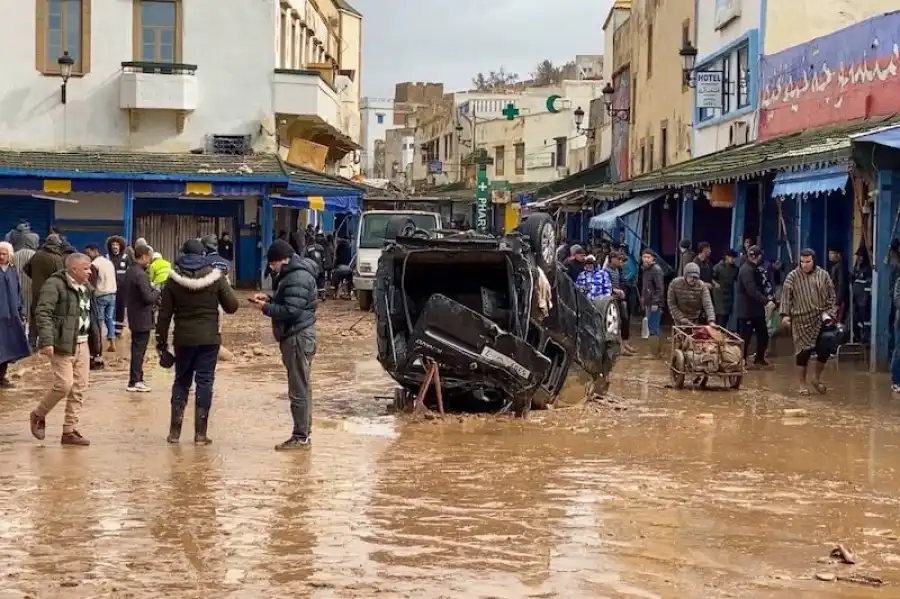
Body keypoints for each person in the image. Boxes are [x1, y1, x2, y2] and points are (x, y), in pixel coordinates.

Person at [156, 239, 239, 444]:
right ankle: (200, 435)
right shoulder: (216, 278)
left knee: (181, 381)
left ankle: (174, 433)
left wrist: (161, 343)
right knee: (205, 382)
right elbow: (232, 306)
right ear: (203, 255)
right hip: (209, 340)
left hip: (183, 339)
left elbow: (164, 315)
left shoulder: (172, 280)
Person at [250, 239, 319, 450]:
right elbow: (291, 303)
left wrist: (266, 308)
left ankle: (300, 437)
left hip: (297, 337)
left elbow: (292, 311)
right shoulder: (295, 274)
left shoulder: (296, 276)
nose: (271, 267)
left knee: (298, 388)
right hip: (299, 335)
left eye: (273, 263)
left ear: (285, 260)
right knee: (302, 386)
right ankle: (304, 433)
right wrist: (270, 300)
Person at [29, 253, 101, 446]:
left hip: (83, 343)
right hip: (62, 343)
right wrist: (46, 341)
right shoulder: (54, 285)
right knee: (64, 385)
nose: (89, 272)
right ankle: (38, 414)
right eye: (85, 269)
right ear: (73, 269)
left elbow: (92, 317)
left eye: (90, 268)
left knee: (79, 388)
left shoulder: (86, 288)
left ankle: (69, 431)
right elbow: (43, 312)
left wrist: (97, 345)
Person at [780, 249, 837, 395]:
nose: (804, 265)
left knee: (825, 348)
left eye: (808, 262)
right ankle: (801, 384)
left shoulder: (823, 275)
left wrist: (830, 312)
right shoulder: (792, 276)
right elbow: (786, 297)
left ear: (814, 260)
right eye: (802, 262)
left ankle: (816, 379)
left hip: (820, 318)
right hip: (800, 320)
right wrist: (785, 315)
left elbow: (832, 295)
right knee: (803, 353)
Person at [123, 245, 160, 393]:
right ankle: (136, 380)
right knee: (139, 350)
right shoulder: (141, 274)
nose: (150, 260)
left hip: (134, 314)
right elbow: (148, 298)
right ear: (143, 256)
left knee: (136, 349)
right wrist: (157, 290)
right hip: (142, 317)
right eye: (150, 257)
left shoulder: (130, 271)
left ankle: (135, 379)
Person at [23, 233, 65, 348]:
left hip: (36, 290)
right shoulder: (57, 258)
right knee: (48, 317)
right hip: (51, 292)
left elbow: (25, 268)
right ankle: (45, 343)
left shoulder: (37, 254)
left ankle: (31, 343)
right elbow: (62, 276)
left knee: (35, 316)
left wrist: (36, 278)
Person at [736, 245, 775, 366]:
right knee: (745, 337)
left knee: (763, 334)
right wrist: (766, 301)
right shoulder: (746, 270)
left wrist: (770, 297)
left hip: (757, 310)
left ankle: (759, 357)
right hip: (746, 310)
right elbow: (751, 290)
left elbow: (764, 284)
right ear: (758, 256)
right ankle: (742, 360)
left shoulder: (757, 269)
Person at [0, 242, 30, 388]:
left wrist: (21, 311)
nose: (1, 256)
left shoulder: (12, 271)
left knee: (9, 348)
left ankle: (2, 377)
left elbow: (18, 293)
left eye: (4, 254)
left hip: (11, 317)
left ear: (10, 255)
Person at [84, 244, 118, 352]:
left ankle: (99, 346)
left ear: (95, 251)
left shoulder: (94, 264)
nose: (87, 255)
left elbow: (92, 283)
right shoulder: (108, 262)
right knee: (110, 319)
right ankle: (112, 343)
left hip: (101, 295)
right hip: (112, 294)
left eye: (88, 253)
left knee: (98, 321)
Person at [605, 250, 636, 355]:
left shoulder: (618, 270)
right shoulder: (605, 272)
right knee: (615, 323)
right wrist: (614, 291)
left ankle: (625, 343)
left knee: (625, 320)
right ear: (612, 259)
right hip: (610, 300)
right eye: (619, 259)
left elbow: (622, 282)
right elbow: (605, 287)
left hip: (619, 299)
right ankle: (620, 347)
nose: (621, 262)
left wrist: (623, 297)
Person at [11, 231, 38, 342]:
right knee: (30, 311)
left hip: (17, 286)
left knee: (20, 311)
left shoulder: (13, 255)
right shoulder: (35, 255)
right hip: (31, 285)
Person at [640, 248, 664, 356]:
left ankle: (654, 353)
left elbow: (660, 288)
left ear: (653, 258)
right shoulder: (646, 269)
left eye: (648, 257)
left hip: (654, 303)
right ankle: (655, 350)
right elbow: (646, 286)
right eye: (644, 257)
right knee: (652, 326)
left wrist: (655, 302)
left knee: (653, 327)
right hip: (648, 302)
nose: (646, 259)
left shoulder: (656, 270)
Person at [106, 236, 131, 338]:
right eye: (113, 245)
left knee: (120, 309)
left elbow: (130, 272)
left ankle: (118, 330)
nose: (115, 247)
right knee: (110, 310)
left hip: (123, 288)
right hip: (110, 287)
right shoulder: (107, 257)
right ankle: (110, 331)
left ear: (121, 246)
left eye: (117, 245)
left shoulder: (126, 257)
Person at [712, 249, 738, 328]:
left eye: (734, 258)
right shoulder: (718, 267)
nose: (734, 260)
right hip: (719, 296)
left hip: (729, 297)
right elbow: (711, 277)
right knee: (720, 319)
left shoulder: (735, 269)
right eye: (732, 258)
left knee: (725, 319)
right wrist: (715, 284)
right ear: (727, 257)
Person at [828, 247, 850, 323]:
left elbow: (841, 284)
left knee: (838, 319)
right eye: (829, 253)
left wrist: (838, 301)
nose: (829, 255)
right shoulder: (836, 266)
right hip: (836, 297)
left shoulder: (840, 266)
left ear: (838, 254)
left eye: (832, 253)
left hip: (840, 298)